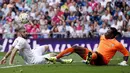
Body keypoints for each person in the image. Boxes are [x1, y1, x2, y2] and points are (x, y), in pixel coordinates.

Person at [47, 27, 129, 66]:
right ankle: (56, 58)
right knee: (75, 47)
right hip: (94, 56)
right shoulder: (103, 37)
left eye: (108, 32)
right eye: (106, 31)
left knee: (96, 54)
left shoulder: (117, 44)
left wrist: (124, 62)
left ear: (112, 35)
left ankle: (88, 59)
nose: (106, 33)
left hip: (102, 61)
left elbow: (126, 53)